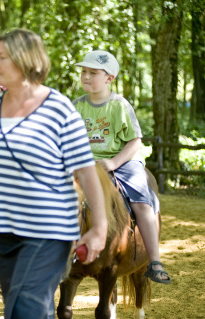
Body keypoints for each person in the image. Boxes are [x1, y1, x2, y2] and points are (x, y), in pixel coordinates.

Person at [0, 29, 108, 319]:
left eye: (2, 58)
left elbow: (86, 171)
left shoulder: (59, 108)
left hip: (48, 229)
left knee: (25, 309)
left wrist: (99, 227)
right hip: (1, 230)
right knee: (23, 305)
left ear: (27, 61)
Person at [73, 50, 171, 285]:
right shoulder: (75, 106)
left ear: (109, 78)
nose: (85, 76)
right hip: (86, 163)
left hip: (121, 162)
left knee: (140, 201)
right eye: (83, 71)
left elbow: (135, 141)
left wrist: (114, 162)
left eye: (92, 72)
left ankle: (154, 260)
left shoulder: (119, 106)